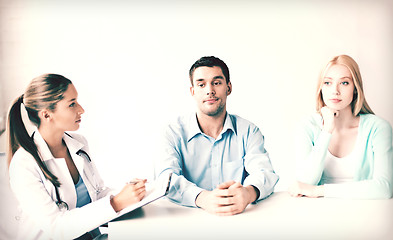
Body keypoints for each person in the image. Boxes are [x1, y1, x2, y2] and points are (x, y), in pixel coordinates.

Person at [7, 74, 147, 240]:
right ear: (46, 115)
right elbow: (56, 228)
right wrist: (116, 203)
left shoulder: (78, 144)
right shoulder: (24, 164)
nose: (81, 109)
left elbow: (96, 194)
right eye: (72, 104)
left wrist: (130, 193)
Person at [155, 56, 279, 216]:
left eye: (217, 82)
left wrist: (248, 193)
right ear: (193, 91)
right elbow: (166, 178)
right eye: (201, 84)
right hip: (185, 222)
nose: (209, 90)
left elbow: (264, 172)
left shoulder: (249, 131)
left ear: (229, 88)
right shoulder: (173, 132)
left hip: (238, 220)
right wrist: (202, 198)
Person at [289, 55, 393, 199]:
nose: (335, 91)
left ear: (355, 88)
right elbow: (305, 183)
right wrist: (327, 131)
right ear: (321, 89)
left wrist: (319, 191)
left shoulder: (378, 128)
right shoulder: (307, 126)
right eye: (327, 83)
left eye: (344, 83)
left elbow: (384, 189)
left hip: (363, 214)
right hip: (317, 215)